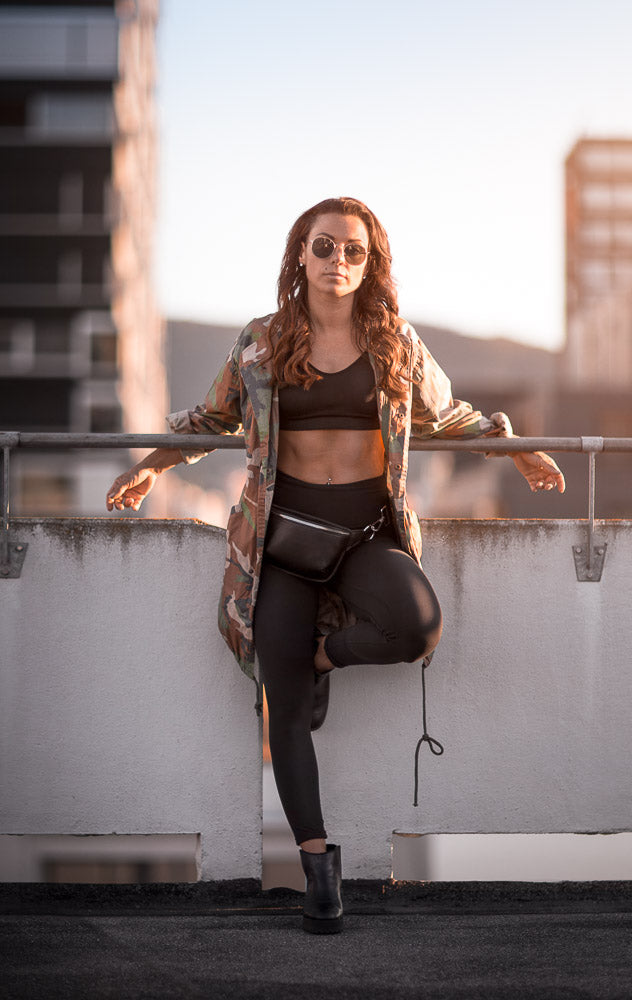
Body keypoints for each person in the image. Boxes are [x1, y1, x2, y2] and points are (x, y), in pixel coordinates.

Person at [106, 196, 565, 935]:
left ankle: (320, 655)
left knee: (416, 628)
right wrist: (150, 467)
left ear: (370, 262)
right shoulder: (261, 341)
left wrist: (519, 450)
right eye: (324, 248)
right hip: (280, 543)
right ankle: (318, 869)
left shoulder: (395, 345)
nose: (337, 262)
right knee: (280, 705)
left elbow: (450, 415)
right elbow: (213, 418)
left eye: (353, 251)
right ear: (300, 256)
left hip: (364, 534)